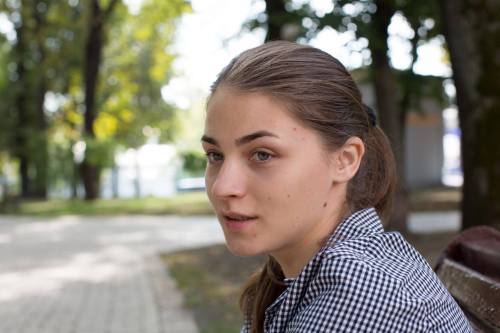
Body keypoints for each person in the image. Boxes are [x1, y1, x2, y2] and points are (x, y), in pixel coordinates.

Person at [201, 41, 472, 333]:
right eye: (215, 155)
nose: (222, 187)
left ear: (344, 160)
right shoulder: (310, 272)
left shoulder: (364, 297)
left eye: (262, 154)